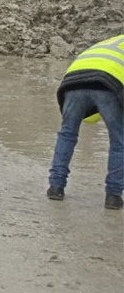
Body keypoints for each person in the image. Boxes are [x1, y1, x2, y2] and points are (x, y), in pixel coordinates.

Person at [47, 34, 124, 210]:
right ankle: (113, 196)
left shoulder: (111, 41)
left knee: (67, 134)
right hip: (107, 81)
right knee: (119, 141)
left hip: (74, 81)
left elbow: (91, 112)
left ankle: (56, 187)